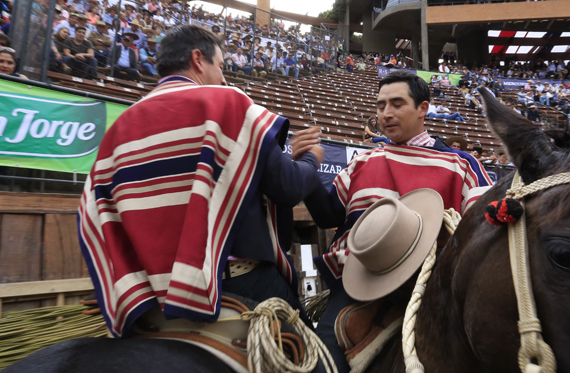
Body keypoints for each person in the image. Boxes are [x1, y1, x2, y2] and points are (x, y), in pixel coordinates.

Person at [78, 25, 324, 340]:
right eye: (220, 66)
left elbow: (96, 212)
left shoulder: (120, 126)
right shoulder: (226, 102)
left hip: (148, 300)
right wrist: (311, 158)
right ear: (198, 59)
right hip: (236, 283)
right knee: (315, 353)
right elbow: (287, 188)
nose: (224, 78)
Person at [301, 71, 493, 373]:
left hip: (436, 295)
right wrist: (308, 170)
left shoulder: (463, 164)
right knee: (321, 364)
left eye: (397, 104)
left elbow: (486, 227)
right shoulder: (363, 161)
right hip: (359, 286)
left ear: (423, 109)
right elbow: (328, 215)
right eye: (380, 106)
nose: (385, 114)